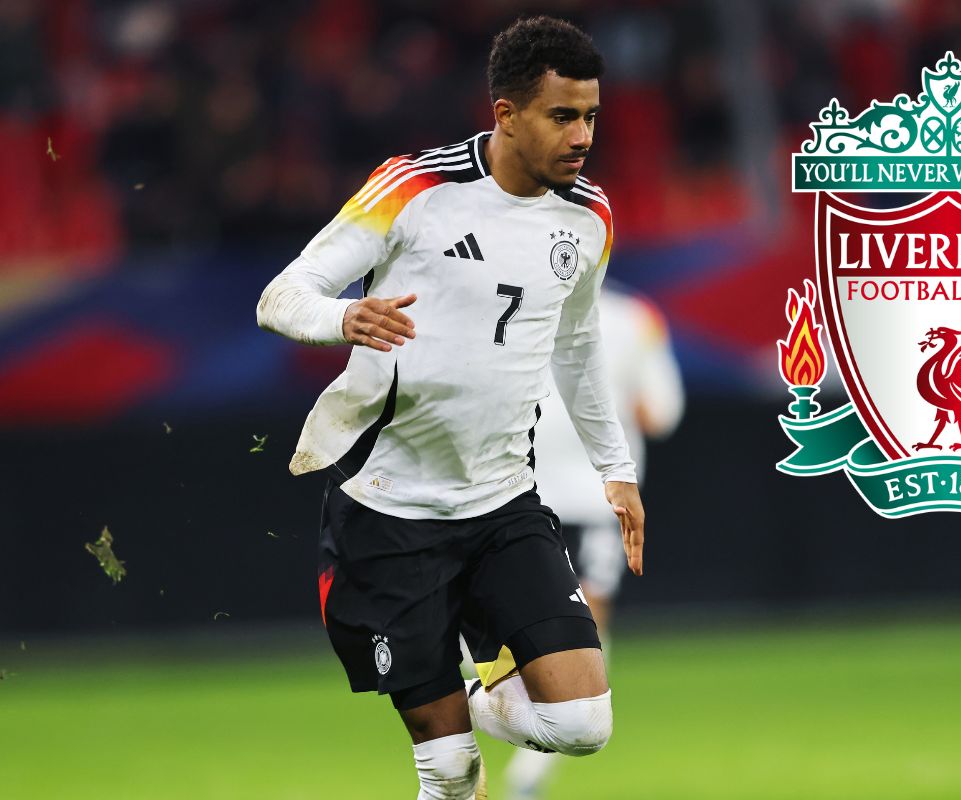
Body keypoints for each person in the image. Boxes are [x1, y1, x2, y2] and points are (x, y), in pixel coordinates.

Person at [256, 17, 643, 800]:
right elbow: (282, 295)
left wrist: (617, 469)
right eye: (562, 116)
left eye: (591, 116)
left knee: (583, 726)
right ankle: (443, 705)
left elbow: (575, 347)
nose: (582, 136)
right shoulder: (416, 189)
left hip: (502, 503)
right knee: (451, 773)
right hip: (386, 512)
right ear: (505, 113)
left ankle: (455, 691)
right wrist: (342, 320)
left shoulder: (588, 216)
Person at [505, 286, 684, 799]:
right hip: (595, 495)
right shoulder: (635, 319)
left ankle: (522, 746)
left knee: (506, 617)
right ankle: (539, 744)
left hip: (519, 491)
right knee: (586, 619)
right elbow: (660, 412)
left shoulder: (514, 295)